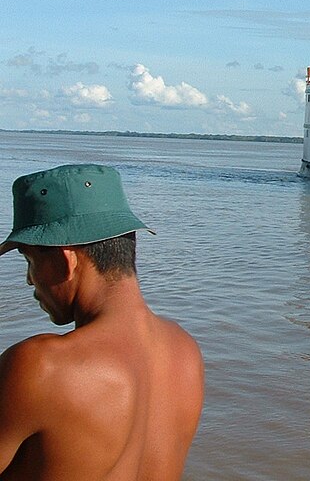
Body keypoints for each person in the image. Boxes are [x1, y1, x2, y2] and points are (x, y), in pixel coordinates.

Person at [0, 164, 204, 481]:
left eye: (30, 261)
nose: (29, 280)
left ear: (65, 259)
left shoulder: (40, 366)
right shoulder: (185, 351)